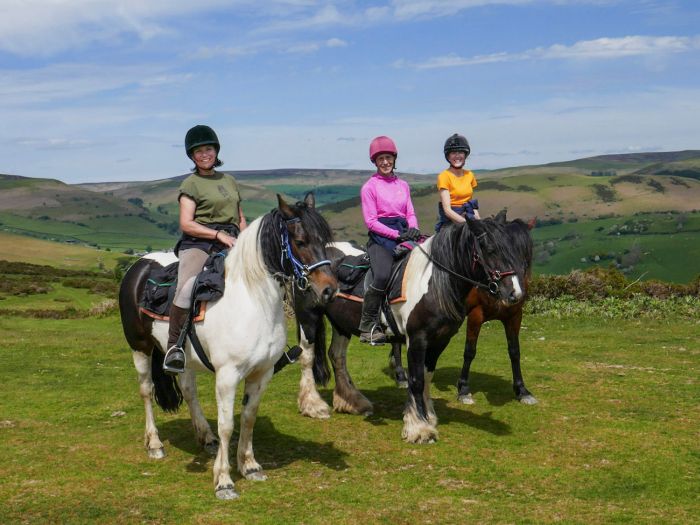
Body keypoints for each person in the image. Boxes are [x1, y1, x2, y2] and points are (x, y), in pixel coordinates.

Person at [163, 124, 247, 374]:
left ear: (216, 151)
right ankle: (174, 347)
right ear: (192, 156)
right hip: (199, 242)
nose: (204, 154)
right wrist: (217, 234)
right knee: (187, 286)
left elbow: (239, 216)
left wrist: (244, 239)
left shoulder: (229, 180)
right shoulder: (191, 184)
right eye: (198, 151)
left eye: (208, 149)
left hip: (231, 239)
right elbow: (186, 223)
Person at [359, 136, 420, 345]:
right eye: (380, 159)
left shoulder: (403, 185)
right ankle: (368, 326)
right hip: (381, 239)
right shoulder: (369, 187)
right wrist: (396, 235)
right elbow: (371, 222)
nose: (385, 162)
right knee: (383, 275)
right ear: (375, 162)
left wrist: (413, 229)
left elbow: (410, 212)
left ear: (394, 159)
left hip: (404, 232)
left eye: (388, 157)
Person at [435, 133, 481, 232]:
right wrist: (466, 224)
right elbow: (447, 210)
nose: (457, 156)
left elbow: (471, 203)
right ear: (448, 156)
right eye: (453, 153)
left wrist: (478, 221)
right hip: (451, 221)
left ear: (465, 154)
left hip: (468, 217)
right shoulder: (444, 176)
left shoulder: (470, 175)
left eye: (460, 152)